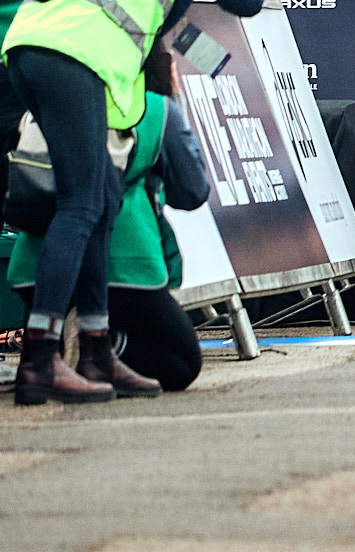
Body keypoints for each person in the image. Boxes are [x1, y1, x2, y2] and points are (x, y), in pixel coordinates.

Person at [6, 0, 267, 404]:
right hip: (72, 51)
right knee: (81, 201)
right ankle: (41, 359)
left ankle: (97, 352)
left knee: (96, 199)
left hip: (37, 42)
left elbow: (161, 5)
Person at [8, 84, 212, 393]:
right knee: (181, 362)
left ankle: (53, 346)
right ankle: (100, 344)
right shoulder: (151, 107)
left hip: (33, 266)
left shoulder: (41, 97)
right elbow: (192, 190)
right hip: (122, 266)